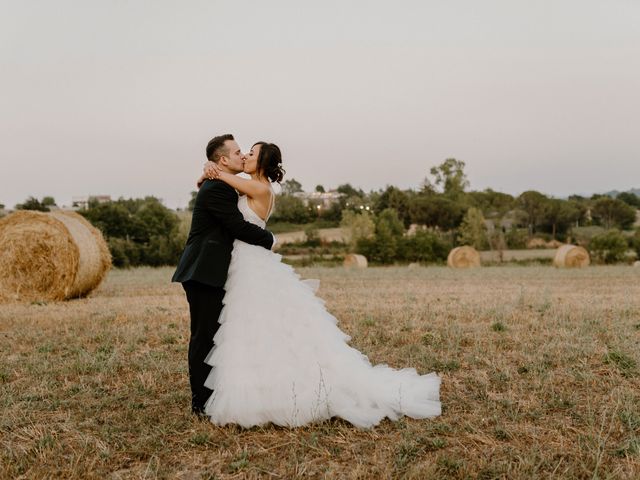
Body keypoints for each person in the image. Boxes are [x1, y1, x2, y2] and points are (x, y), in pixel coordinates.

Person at [196, 141, 441, 429]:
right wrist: (207, 173)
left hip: (252, 264)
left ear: (261, 164)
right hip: (245, 262)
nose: (246, 156)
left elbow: (221, 178)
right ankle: (263, 386)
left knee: (257, 323)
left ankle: (281, 391)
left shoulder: (260, 188)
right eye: (245, 152)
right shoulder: (248, 186)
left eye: (252, 153)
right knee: (255, 327)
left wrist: (209, 170)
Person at [172, 134, 275, 415]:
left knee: (217, 334)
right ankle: (200, 402)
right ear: (223, 160)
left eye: (246, 152)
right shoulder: (218, 188)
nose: (243, 155)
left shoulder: (228, 186)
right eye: (238, 151)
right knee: (204, 336)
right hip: (203, 270)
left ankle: (218, 393)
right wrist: (271, 240)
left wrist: (207, 171)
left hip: (219, 270)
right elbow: (236, 226)